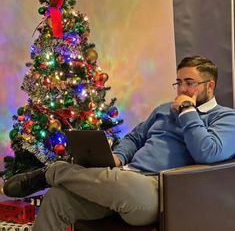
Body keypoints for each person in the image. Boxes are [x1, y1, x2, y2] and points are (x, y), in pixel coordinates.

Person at [3, 56, 235, 231]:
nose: (183, 89)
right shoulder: (164, 110)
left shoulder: (225, 118)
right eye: (178, 83)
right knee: (56, 199)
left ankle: (52, 171)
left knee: (124, 182)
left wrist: (187, 110)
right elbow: (135, 138)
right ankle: (56, 175)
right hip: (122, 179)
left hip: (157, 191)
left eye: (190, 83)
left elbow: (208, 152)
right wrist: (119, 157)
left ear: (210, 86)